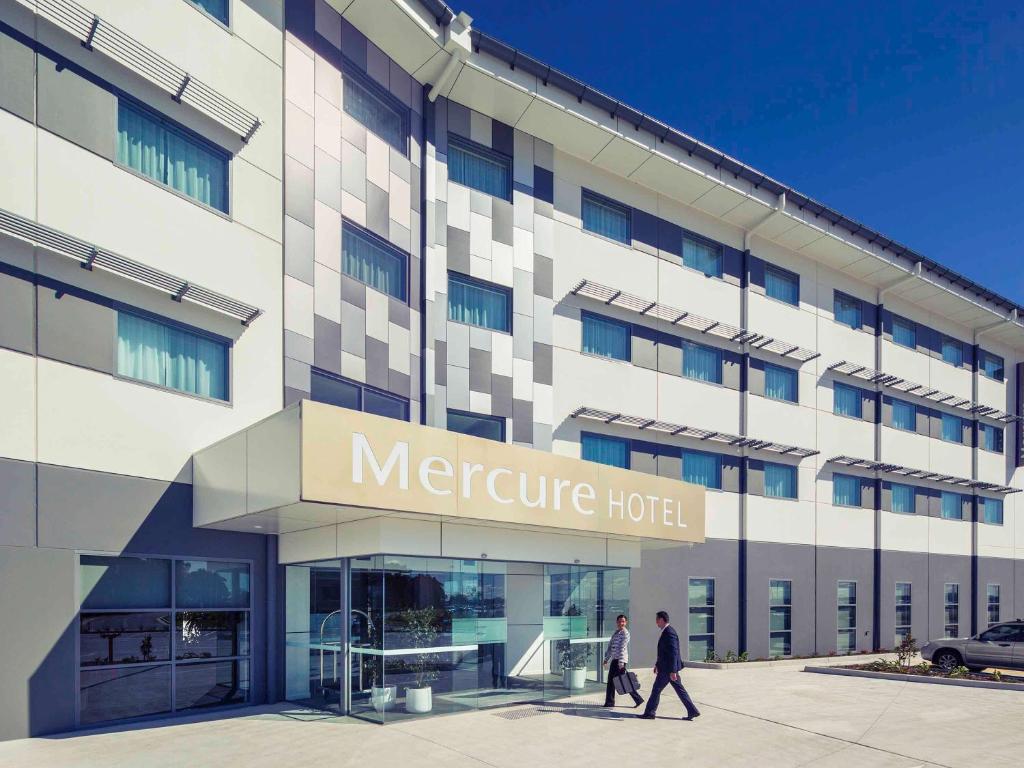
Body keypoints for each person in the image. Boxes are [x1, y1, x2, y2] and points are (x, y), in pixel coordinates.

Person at [638, 610, 700, 721]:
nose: (656, 622)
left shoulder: (669, 632)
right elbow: (664, 652)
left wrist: (673, 671)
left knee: (656, 689)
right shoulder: (666, 631)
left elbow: (673, 652)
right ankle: (692, 711)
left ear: (662, 619)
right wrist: (657, 664)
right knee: (679, 690)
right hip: (666, 668)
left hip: (667, 670)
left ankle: (650, 713)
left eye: (657, 619)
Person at [602, 614, 644, 708]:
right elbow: (610, 647)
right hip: (614, 660)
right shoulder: (616, 633)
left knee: (624, 681)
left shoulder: (625, 633)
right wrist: (606, 659)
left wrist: (621, 663)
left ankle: (638, 699)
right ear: (617, 622)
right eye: (620, 621)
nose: (621, 623)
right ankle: (609, 702)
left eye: (623, 621)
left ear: (626, 622)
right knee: (611, 681)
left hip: (620, 661)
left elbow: (622, 648)